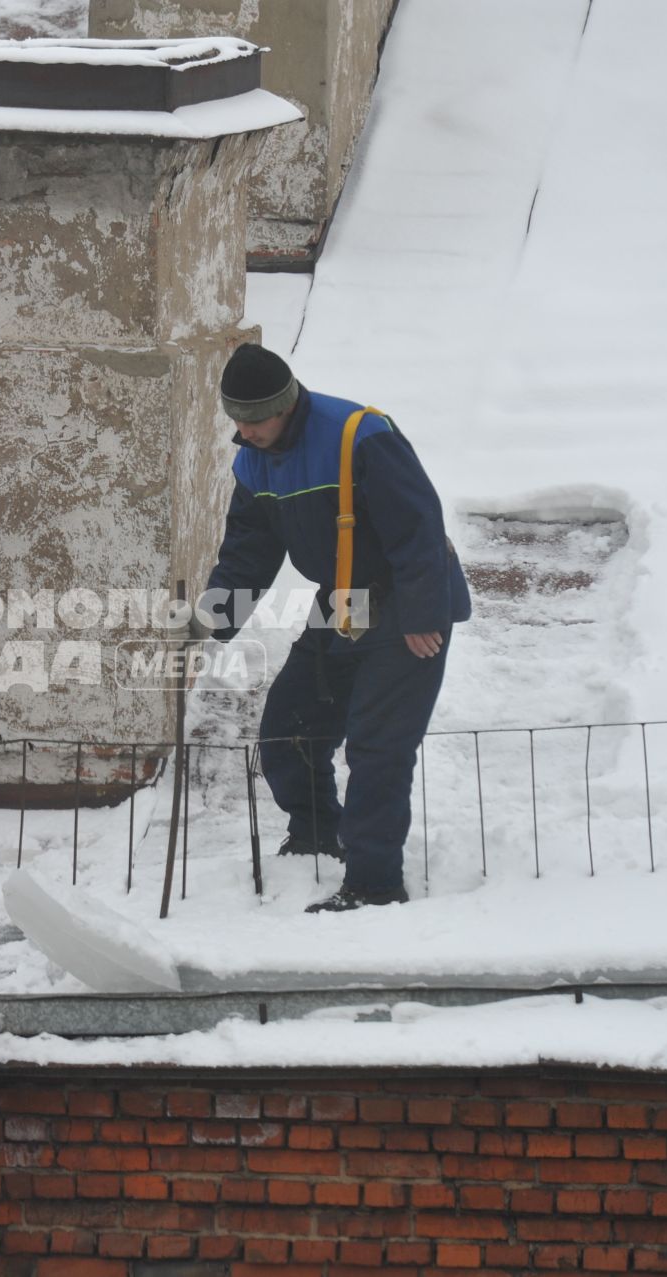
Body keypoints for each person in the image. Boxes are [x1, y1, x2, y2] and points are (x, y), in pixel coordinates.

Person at [193, 343, 469, 911]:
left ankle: (374, 883)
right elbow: (248, 549)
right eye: (235, 421)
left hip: (404, 602)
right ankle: (317, 834)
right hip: (343, 602)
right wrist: (210, 623)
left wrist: (423, 614)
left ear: (285, 404)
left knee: (376, 747)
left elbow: (419, 526)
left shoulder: (358, 434)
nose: (243, 433)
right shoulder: (252, 460)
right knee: (287, 728)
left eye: (253, 420)